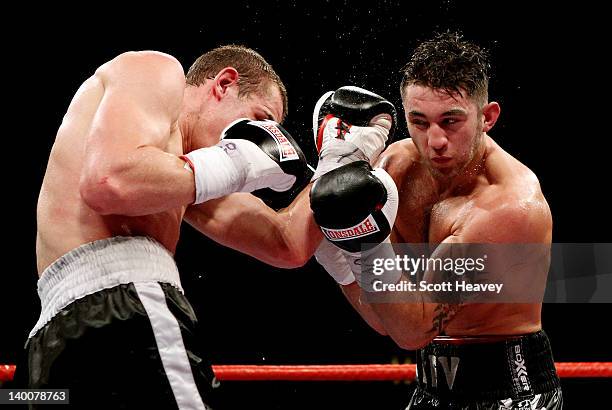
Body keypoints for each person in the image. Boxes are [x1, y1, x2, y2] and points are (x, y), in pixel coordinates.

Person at [24, 44, 321, 409]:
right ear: (224, 84)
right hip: (126, 308)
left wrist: (339, 164)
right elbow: (109, 182)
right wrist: (238, 162)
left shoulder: (180, 176)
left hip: (56, 343)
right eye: (258, 121)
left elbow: (286, 243)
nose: (254, 142)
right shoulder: (156, 70)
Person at [310, 32, 562, 409]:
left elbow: (413, 329)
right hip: (429, 388)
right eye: (420, 122)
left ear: (487, 117)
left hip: (509, 395)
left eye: (450, 121)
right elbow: (389, 318)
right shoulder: (398, 166)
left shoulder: (509, 207)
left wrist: (364, 243)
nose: (435, 140)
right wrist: (338, 260)